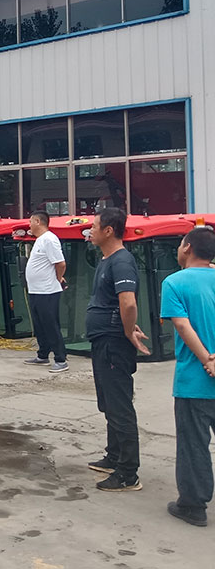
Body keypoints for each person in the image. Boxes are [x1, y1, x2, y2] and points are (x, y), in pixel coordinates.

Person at [85, 207, 151, 492]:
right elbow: (120, 305)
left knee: (119, 406)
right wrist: (129, 324)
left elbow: (129, 302)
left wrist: (127, 330)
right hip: (104, 340)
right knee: (108, 403)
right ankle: (114, 455)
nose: (90, 231)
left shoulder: (122, 261)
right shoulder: (107, 260)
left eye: (95, 226)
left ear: (109, 230)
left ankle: (127, 472)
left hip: (113, 343)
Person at [159, 226, 215, 527]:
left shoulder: (174, 283)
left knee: (194, 444)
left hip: (195, 380)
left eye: (181, 244)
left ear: (188, 247)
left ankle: (193, 505)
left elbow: (182, 326)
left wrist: (207, 359)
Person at [23, 211, 69, 373]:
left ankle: (60, 358)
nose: (29, 225)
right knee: (39, 324)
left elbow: (60, 263)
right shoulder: (39, 241)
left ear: (38, 221)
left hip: (47, 291)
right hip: (36, 290)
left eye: (30, 221)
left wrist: (58, 278)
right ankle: (43, 354)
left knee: (50, 324)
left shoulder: (49, 239)